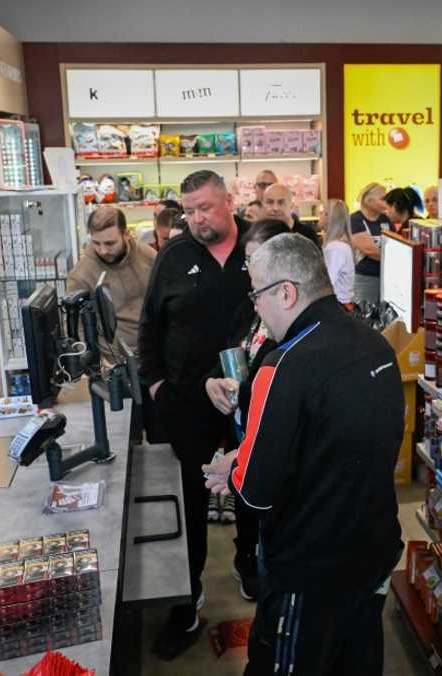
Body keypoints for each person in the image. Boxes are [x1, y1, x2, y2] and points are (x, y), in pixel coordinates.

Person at [203, 233, 403, 676]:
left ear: (286, 292)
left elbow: (256, 494)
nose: (254, 306)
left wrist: (236, 468)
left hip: (309, 570)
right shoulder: (376, 344)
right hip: (373, 550)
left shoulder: (282, 365)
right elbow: (336, 444)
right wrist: (244, 460)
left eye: (256, 293)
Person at [138, 170, 251, 660]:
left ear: (228, 201)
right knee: (187, 505)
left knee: (256, 490)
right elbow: (150, 332)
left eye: (206, 207)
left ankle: (251, 567)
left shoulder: (261, 247)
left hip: (253, 400)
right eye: (190, 211)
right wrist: (162, 387)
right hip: (186, 405)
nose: (198, 219)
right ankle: (187, 602)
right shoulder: (174, 257)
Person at [204, 218, 292, 601]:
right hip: (242, 431)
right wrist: (212, 382)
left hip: (270, 444)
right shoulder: (251, 305)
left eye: (257, 261)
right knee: (246, 507)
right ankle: (246, 560)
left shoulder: (293, 323)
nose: (250, 273)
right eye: (247, 261)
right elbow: (229, 350)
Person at [67, 207, 156, 367]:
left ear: (126, 234)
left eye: (110, 243)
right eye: (96, 243)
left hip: (155, 354)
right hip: (115, 363)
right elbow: (77, 329)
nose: (103, 250)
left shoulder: (146, 255)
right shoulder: (81, 274)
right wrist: (100, 363)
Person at [350, 182, 393, 306]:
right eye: (383, 199)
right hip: (365, 278)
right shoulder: (355, 220)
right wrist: (394, 261)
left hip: (386, 278)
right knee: (365, 316)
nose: (387, 203)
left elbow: (396, 244)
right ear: (368, 200)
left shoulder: (385, 219)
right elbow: (369, 250)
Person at [258, 183, 322, 249]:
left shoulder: (307, 235)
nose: (275, 208)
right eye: (270, 202)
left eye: (281, 202)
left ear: (291, 205)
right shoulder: (258, 234)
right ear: (263, 205)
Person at [319, 199, 355, 308]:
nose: (319, 216)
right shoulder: (339, 245)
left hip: (336, 305)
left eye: (322, 213)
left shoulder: (336, 248)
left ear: (329, 217)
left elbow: (328, 280)